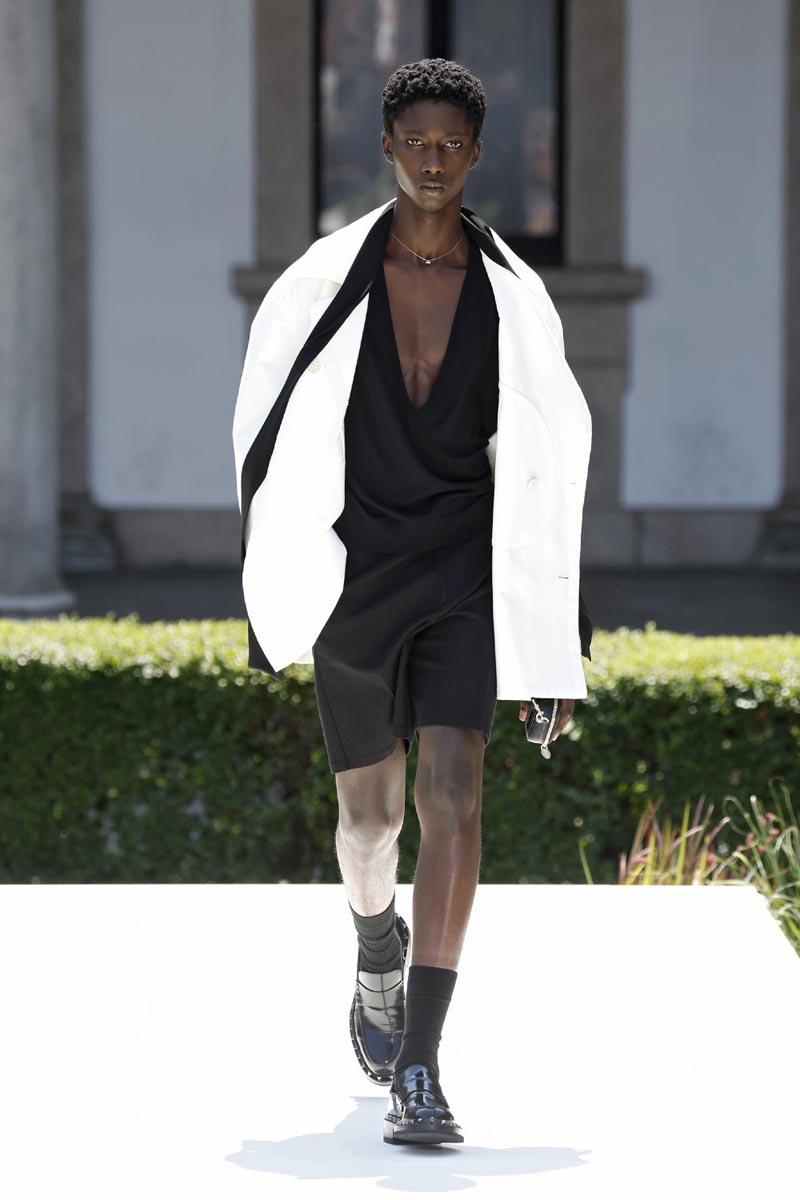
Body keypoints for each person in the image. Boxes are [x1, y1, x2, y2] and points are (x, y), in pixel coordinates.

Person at [232, 57, 593, 1148]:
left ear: (476, 153)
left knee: (454, 792)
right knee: (371, 820)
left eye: (452, 143)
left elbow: (551, 466)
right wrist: (268, 576)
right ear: (386, 148)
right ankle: (373, 941)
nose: (434, 160)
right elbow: (261, 437)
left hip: (464, 568)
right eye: (416, 142)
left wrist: (553, 643)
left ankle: (422, 1063)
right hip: (356, 572)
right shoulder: (323, 283)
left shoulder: (514, 295)